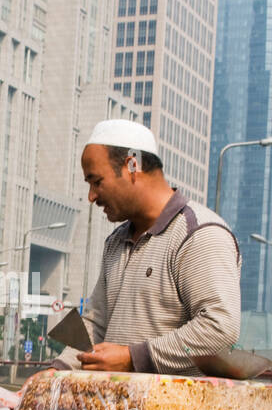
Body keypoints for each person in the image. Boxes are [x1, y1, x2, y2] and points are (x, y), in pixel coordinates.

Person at [56, 119, 241, 375]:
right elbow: (96, 322)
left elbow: (220, 329)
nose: (91, 196)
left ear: (132, 165)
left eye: (96, 181)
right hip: (116, 409)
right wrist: (58, 371)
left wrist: (133, 358)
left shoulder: (199, 234)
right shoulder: (116, 241)